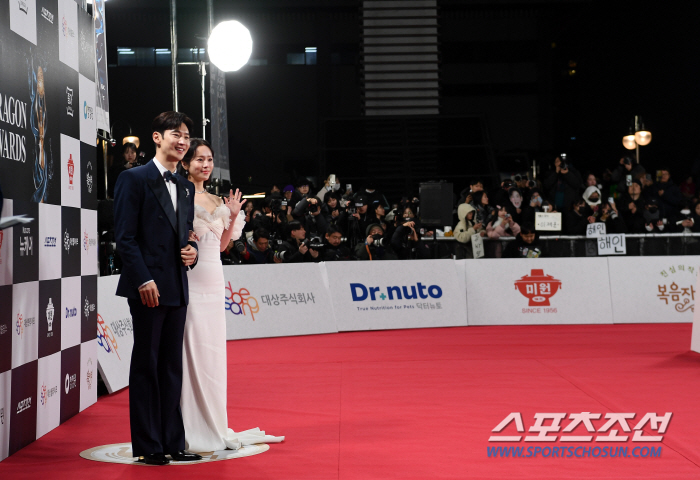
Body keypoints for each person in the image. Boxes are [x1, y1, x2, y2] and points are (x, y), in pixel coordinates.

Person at [178, 138, 284, 452]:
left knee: (212, 354)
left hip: (214, 280)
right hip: (190, 280)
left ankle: (213, 421)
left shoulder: (215, 198)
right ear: (186, 163)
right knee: (191, 352)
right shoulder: (179, 195)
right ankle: (188, 424)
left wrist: (234, 214)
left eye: (209, 159)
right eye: (199, 159)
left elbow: (223, 246)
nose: (205, 165)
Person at [114, 112, 201, 466]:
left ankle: (173, 442)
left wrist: (192, 253)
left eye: (186, 137)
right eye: (175, 134)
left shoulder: (186, 186)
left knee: (170, 366)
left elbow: (188, 234)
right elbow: (125, 237)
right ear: (156, 137)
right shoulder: (132, 178)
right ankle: (149, 444)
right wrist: (143, 278)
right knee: (147, 365)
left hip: (178, 286)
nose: (182, 142)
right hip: (148, 287)